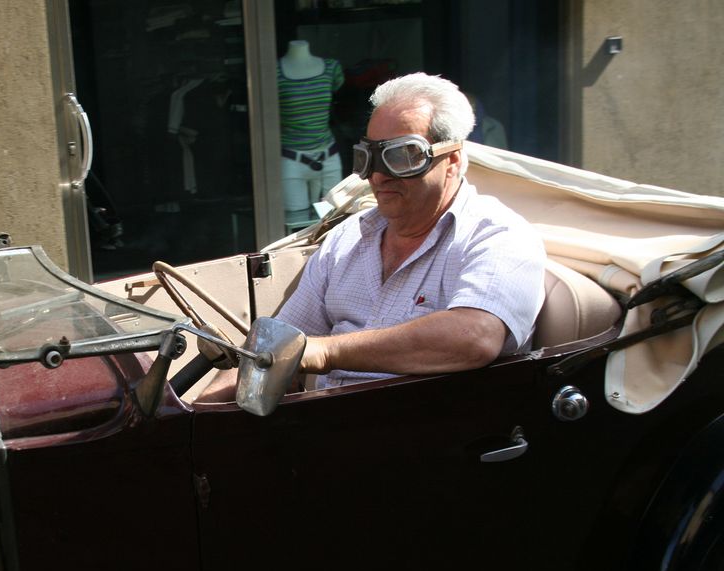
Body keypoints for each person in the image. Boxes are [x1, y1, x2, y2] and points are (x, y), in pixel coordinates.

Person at [200, 72, 546, 399]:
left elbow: (475, 337)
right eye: (369, 158)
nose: (378, 176)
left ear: (452, 161)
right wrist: (202, 412)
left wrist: (325, 352)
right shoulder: (347, 238)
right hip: (327, 424)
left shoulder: (498, 235)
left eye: (402, 156)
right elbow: (280, 342)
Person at [278, 40, 344, 212]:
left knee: (333, 217)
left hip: (328, 156)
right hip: (291, 159)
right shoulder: (275, 72)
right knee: (297, 220)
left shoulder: (331, 68)